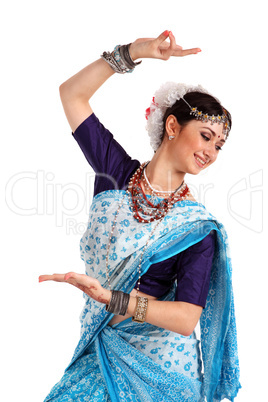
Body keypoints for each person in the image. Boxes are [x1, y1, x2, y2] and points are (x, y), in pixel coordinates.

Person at [39, 31, 241, 401]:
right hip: (101, 357)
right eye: (206, 135)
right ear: (172, 126)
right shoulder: (115, 174)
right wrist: (133, 53)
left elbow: (186, 319)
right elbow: (72, 95)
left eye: (219, 145)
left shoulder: (196, 228)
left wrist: (113, 299)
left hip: (163, 375)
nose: (212, 151)